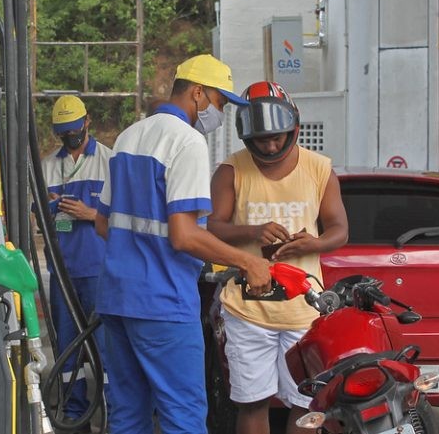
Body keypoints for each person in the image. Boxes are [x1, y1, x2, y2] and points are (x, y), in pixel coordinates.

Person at [94, 54, 272, 434]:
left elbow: (101, 222)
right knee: (183, 416)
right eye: (220, 102)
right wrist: (248, 262)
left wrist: (139, 254)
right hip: (163, 303)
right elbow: (185, 235)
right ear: (197, 94)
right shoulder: (186, 141)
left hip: (117, 298)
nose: (219, 113)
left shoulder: (129, 135)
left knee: (127, 414)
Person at [207, 81, 349, 434]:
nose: (270, 146)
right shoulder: (231, 171)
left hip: (304, 310)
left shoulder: (319, 169)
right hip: (247, 311)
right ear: (246, 138)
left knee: (307, 405)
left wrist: (310, 244)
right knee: (252, 403)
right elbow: (212, 227)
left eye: (277, 137)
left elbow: (339, 230)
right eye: (261, 140)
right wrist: (253, 232)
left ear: (294, 128)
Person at [40, 95, 112, 431]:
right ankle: (74, 414)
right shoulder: (47, 167)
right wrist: (51, 210)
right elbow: (35, 217)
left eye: (74, 130)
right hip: (62, 274)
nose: (70, 137)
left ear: (87, 122)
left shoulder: (110, 162)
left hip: (99, 272)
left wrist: (90, 214)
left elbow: (124, 220)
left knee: (107, 349)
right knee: (67, 350)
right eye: (63, 133)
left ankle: (115, 414)